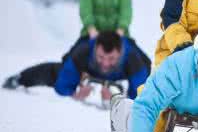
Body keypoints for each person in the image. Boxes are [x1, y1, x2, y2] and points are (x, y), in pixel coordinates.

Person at [2, 31, 150, 100]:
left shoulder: (133, 58)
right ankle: (19, 79)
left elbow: (140, 96)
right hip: (87, 72)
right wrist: (75, 94)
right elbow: (62, 86)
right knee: (56, 71)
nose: (105, 63)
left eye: (111, 59)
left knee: (151, 83)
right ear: (94, 50)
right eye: (101, 57)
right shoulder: (83, 51)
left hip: (121, 78)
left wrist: (118, 99)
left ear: (120, 53)